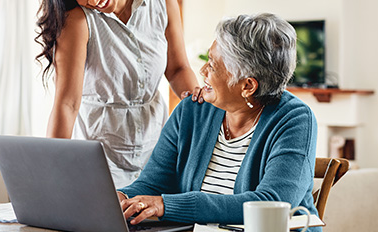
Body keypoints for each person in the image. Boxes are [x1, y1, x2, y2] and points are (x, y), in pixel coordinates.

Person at [117, 13, 321, 231]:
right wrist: (121, 197)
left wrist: (168, 205)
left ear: (248, 86)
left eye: (212, 66)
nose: (202, 71)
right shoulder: (192, 110)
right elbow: (153, 183)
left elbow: (272, 203)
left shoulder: (295, 120)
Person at [35, 0, 201, 188]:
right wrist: (49, 174)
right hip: (100, 161)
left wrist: (201, 112)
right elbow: (67, 103)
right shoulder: (78, 21)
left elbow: (178, 69)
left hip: (157, 154)